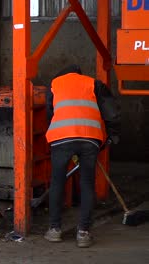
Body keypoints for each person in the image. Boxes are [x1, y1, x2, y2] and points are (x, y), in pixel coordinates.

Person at [43, 65, 121, 248]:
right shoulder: (94, 84)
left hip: (61, 137)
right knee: (87, 183)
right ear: (79, 74)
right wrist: (112, 135)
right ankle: (83, 233)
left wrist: (53, 135)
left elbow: (50, 113)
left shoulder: (55, 84)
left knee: (57, 182)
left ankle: (54, 230)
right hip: (90, 138)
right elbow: (112, 112)